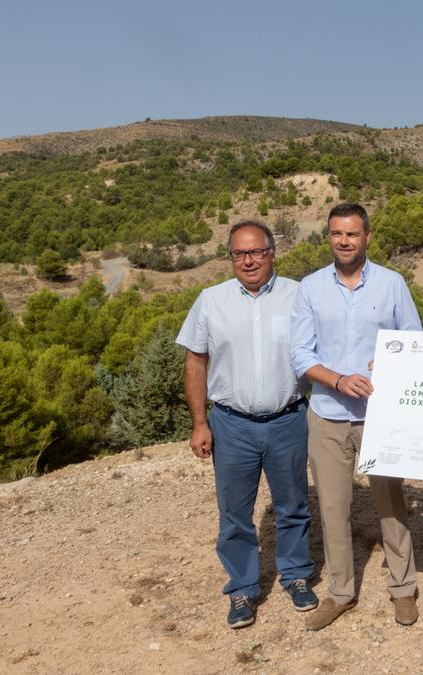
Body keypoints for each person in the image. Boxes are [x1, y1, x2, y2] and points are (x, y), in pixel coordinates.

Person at [176, 219, 316, 629]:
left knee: (293, 506)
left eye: (256, 252)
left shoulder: (298, 296)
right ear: (231, 258)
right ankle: (242, 588)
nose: (248, 260)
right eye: (240, 253)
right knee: (234, 513)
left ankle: (295, 576)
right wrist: (199, 422)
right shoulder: (210, 300)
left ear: (273, 253)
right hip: (230, 425)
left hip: (289, 419)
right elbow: (195, 362)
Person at [290, 203, 423, 630]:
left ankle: (403, 589)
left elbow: (413, 342)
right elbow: (299, 354)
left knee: (391, 503)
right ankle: (341, 592)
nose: (343, 241)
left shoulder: (392, 284)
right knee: (332, 507)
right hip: (327, 414)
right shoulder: (310, 288)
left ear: (367, 237)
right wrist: (336, 379)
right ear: (328, 237)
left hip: (379, 415)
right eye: (335, 234)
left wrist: (394, 365)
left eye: (351, 234)